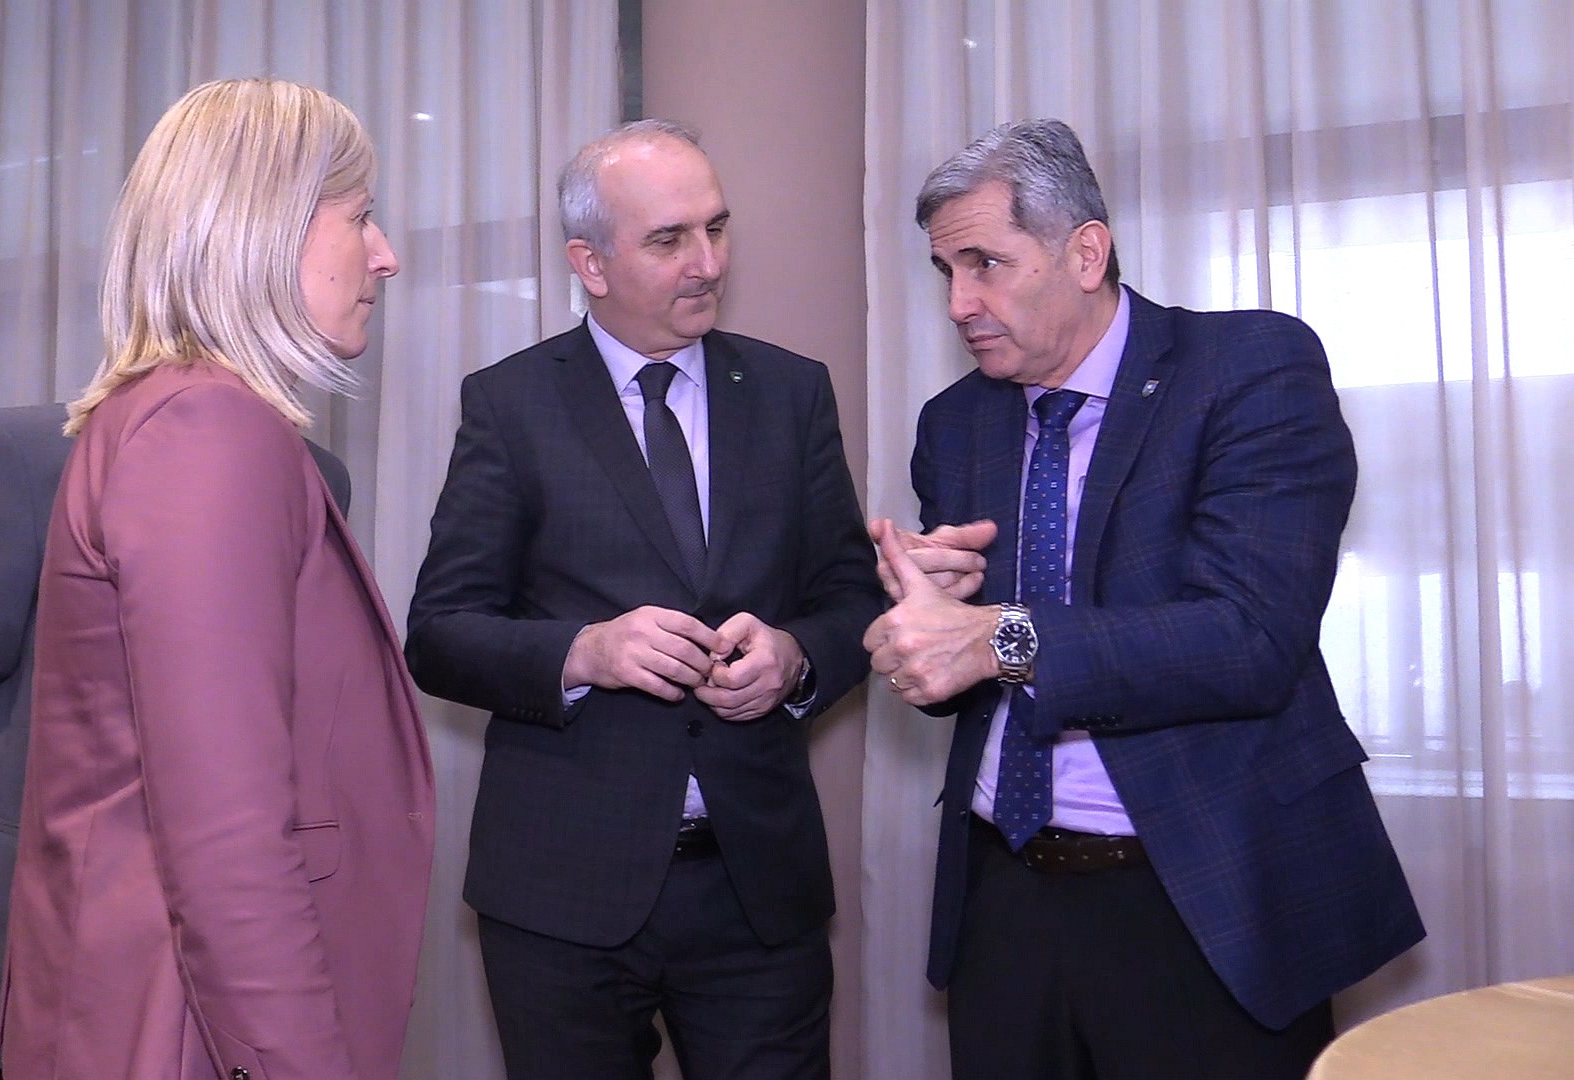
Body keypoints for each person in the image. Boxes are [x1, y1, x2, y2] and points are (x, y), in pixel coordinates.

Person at [864, 118, 1424, 1079]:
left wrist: (995, 636)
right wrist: (930, 627)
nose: (959, 302)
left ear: (1086, 253)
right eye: (945, 271)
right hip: (1003, 893)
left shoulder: (1247, 368)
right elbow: (973, 674)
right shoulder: (956, 424)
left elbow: (1252, 637)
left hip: (1202, 892)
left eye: (986, 264)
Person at [406, 119, 885, 1080]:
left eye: (717, 228)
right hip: (561, 893)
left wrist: (795, 659)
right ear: (589, 262)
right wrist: (582, 653)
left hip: (756, 886)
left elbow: (850, 597)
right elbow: (440, 634)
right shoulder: (510, 404)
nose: (707, 263)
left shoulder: (791, 393)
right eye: (669, 240)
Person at [0, 78, 432, 1080]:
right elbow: (228, 838)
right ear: (265, 228)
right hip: (185, 1028)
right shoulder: (209, 431)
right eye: (360, 216)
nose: (385, 254)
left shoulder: (172, 417)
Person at [0, 405, 349, 1080]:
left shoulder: (318, 476)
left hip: (255, 948)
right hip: (68, 944)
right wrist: (56, 828)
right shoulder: (31, 455)